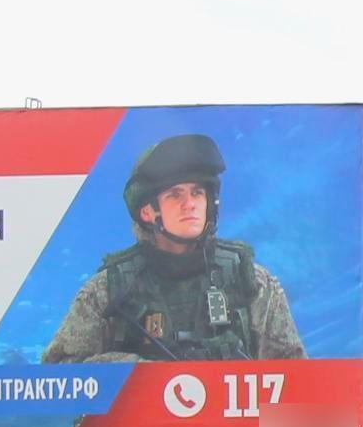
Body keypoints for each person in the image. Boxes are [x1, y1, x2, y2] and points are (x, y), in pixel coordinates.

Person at [42, 131, 305, 361]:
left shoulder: (251, 283)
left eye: (197, 193)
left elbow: (297, 379)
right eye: (174, 195)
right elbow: (60, 377)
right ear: (147, 211)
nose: (189, 204)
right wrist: (135, 374)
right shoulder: (109, 291)